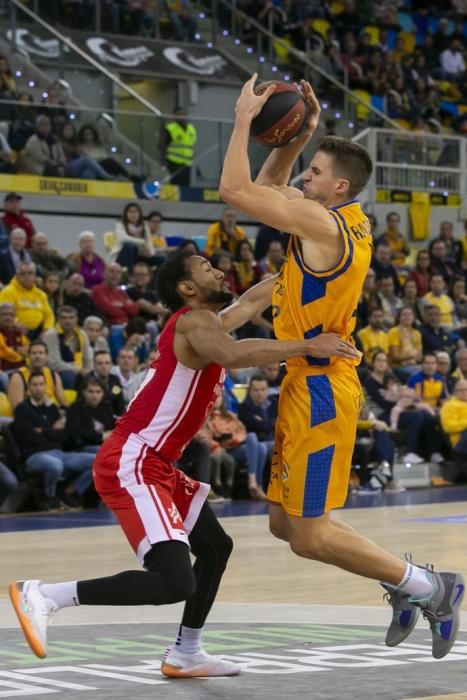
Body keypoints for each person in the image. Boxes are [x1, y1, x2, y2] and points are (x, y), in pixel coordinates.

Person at [8, 249, 355, 676]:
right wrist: (308, 345)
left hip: (158, 464)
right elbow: (232, 355)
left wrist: (299, 270)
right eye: (205, 268)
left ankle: (187, 652)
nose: (218, 270)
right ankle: (45, 595)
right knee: (173, 579)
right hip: (134, 459)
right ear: (186, 288)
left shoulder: (207, 323)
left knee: (215, 549)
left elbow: (249, 304)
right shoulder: (193, 322)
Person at [219, 75, 463, 659]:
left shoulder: (325, 227)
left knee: (307, 535)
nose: (304, 178)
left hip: (323, 389)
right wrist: (297, 132)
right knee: (283, 524)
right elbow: (273, 183)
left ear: (340, 185)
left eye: (315, 172)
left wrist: (241, 121)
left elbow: (236, 188)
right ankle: (409, 584)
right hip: (307, 378)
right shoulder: (337, 215)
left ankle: (430, 588)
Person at [13, 372, 94, 510]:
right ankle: (49, 497)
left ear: (46, 387)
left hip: (59, 452)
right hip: (35, 456)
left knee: (97, 461)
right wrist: (52, 430)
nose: (38, 388)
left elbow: (64, 435)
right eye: (34, 384)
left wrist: (43, 430)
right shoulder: (22, 409)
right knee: (55, 465)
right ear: (28, 388)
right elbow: (29, 438)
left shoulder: (52, 408)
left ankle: (71, 492)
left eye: (41, 384)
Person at [0, 262, 54, 340]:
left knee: (52, 335)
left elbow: (49, 315)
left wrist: (46, 330)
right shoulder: (8, 292)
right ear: (17, 276)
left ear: (35, 276)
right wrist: (15, 323)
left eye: (30, 273)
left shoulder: (41, 294)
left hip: (39, 331)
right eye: (23, 274)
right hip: (16, 330)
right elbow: (3, 314)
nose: (27, 276)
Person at [8, 340, 68, 410]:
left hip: (51, 415)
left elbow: (63, 403)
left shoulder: (53, 375)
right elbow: (17, 409)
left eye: (41, 353)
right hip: (28, 417)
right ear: (29, 356)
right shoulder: (18, 376)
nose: (37, 356)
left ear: (46, 356)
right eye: (34, 353)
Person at [43, 306, 93, 389]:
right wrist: (79, 370)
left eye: (71, 318)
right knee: (69, 377)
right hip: (57, 371)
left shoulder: (82, 334)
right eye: (64, 318)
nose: (68, 321)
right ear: (58, 319)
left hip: (78, 369)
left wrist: (89, 372)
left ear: (76, 319)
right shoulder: (51, 335)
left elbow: (87, 358)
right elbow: (54, 364)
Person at [65, 374, 115, 453]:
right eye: (91, 391)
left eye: (98, 392)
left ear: (103, 393)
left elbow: (112, 426)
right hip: (81, 448)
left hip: (104, 444)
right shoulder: (74, 408)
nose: (94, 395)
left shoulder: (106, 407)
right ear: (84, 392)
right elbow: (75, 432)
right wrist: (101, 436)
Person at [110, 202, 154, 269]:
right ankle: (131, 276)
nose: (133, 214)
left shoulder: (145, 226)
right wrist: (141, 242)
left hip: (140, 256)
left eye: (136, 212)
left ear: (140, 214)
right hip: (121, 257)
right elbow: (123, 239)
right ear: (126, 214)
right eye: (130, 212)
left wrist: (149, 252)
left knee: (160, 259)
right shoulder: (120, 224)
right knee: (129, 246)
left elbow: (150, 245)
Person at [161, 107, 197, 186]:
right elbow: (162, 146)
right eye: (179, 114)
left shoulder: (191, 129)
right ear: (175, 116)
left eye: (183, 114)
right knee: (175, 185)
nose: (181, 116)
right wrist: (163, 162)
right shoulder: (170, 129)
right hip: (174, 162)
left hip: (187, 163)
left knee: (186, 185)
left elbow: (192, 145)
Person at [387, 306, 422, 379]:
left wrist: (414, 357)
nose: (407, 317)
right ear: (399, 318)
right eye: (404, 314)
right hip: (398, 367)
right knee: (421, 373)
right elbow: (394, 357)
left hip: (414, 365)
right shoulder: (394, 332)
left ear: (413, 317)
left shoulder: (417, 333)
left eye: (410, 314)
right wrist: (411, 356)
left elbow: (419, 357)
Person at [0, 302, 29, 372]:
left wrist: (14, 349)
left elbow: (28, 348)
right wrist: (20, 355)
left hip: (23, 368)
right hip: (5, 370)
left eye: (11, 315)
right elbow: (5, 352)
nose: (8, 317)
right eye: (4, 314)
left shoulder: (18, 331)